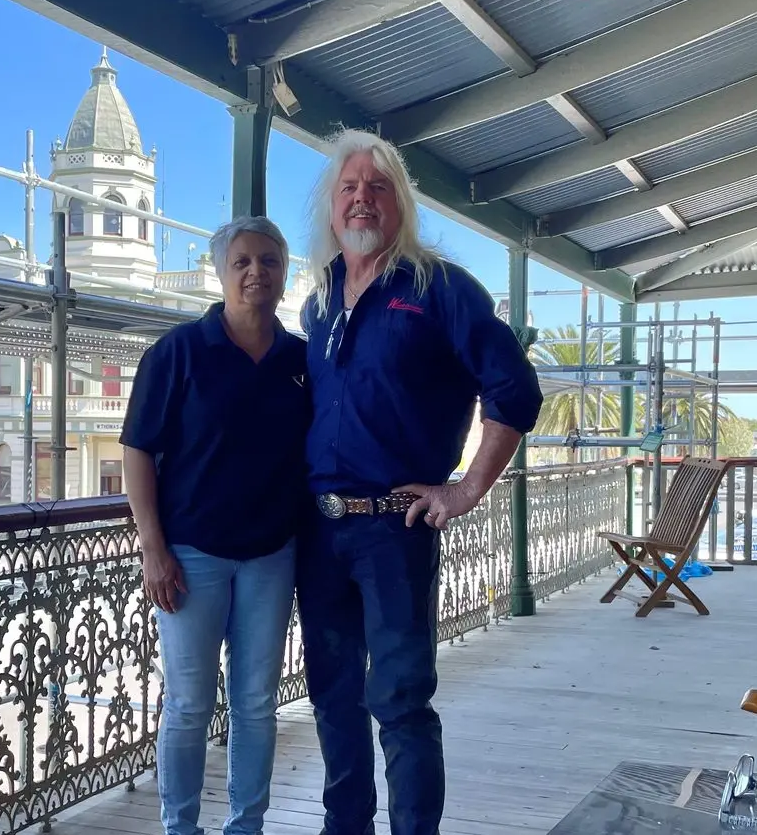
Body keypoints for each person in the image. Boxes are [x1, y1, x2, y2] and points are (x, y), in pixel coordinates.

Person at [296, 129, 543, 835]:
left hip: (393, 528)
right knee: (332, 695)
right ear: (332, 204)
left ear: (399, 202)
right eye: (349, 187)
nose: (362, 198)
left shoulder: (440, 288)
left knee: (400, 698)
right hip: (319, 528)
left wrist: (465, 488)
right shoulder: (319, 306)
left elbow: (514, 391)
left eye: (377, 187)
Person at [121, 216, 310, 835]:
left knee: (256, 704)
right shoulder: (177, 352)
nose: (257, 272)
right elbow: (138, 451)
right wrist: (153, 548)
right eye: (243, 262)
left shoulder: (299, 362)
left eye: (270, 261)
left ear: (284, 274)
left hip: (270, 556)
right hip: (191, 556)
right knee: (187, 704)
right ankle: (181, 828)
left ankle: (246, 826)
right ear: (221, 272)